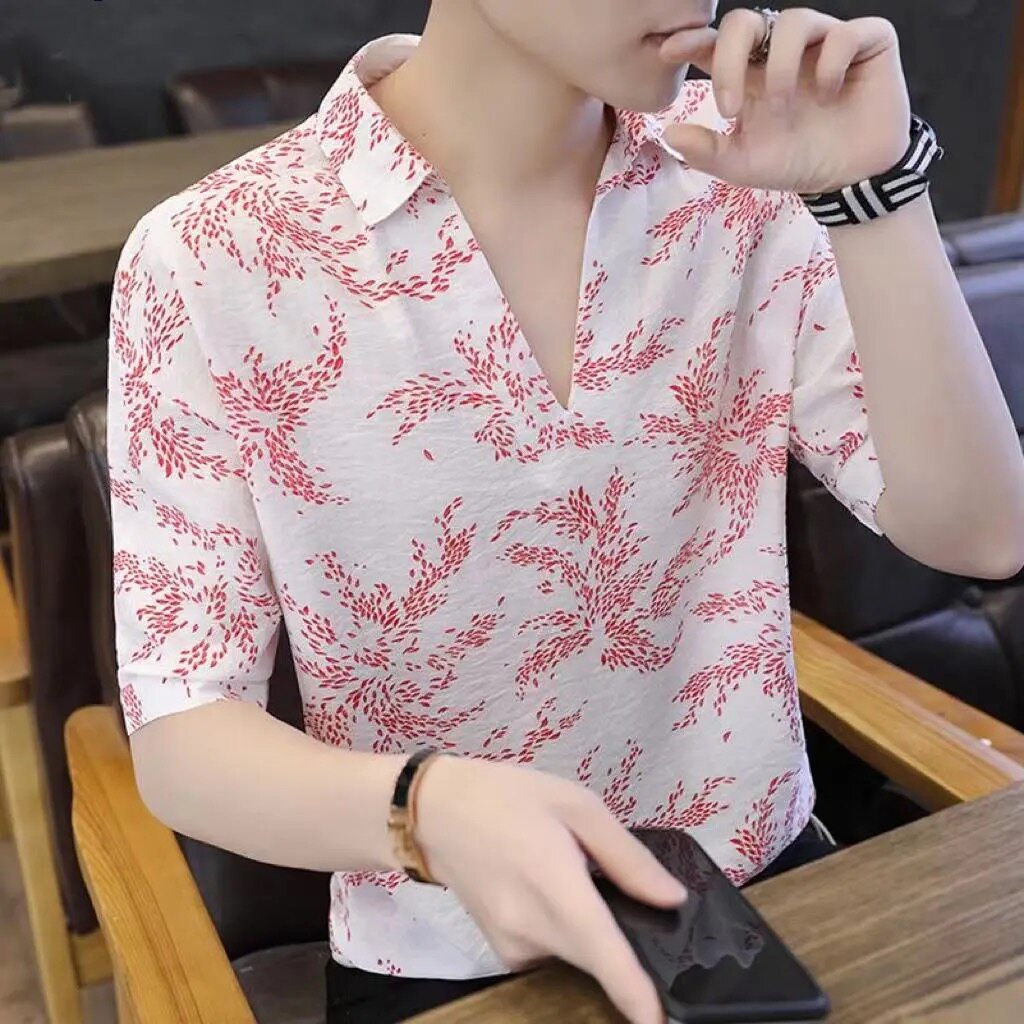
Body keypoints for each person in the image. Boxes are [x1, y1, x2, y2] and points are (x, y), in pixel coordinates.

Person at [107, 3, 1024, 1023]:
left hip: (765, 895)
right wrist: (425, 808)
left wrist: (873, 195)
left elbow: (981, 534)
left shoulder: (747, 170)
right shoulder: (211, 254)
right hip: (448, 953)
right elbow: (185, 731)